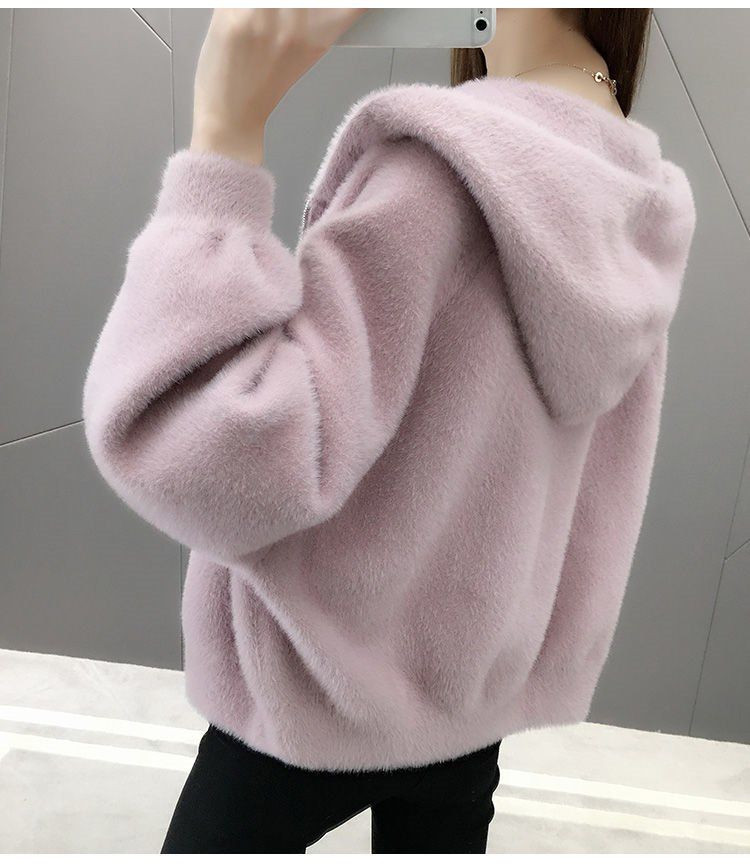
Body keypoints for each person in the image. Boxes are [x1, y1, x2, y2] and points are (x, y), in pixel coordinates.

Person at [81, 8, 697, 855]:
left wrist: (223, 138)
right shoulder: (630, 183)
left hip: (320, 686)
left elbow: (202, 454)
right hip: (469, 700)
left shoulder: (439, 177)